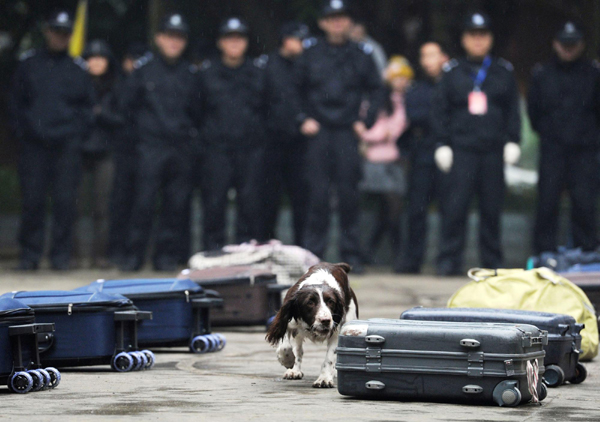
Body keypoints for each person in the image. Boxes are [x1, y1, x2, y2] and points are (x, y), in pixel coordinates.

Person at [295, 0, 385, 273]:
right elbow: (293, 90)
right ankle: (313, 257)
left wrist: (364, 120)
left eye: (342, 18)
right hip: (319, 133)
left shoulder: (362, 54)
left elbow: (377, 89)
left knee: (349, 196)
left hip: (347, 132)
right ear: (322, 23)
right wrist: (302, 119)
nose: (337, 23)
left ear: (349, 22)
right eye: (331, 18)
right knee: (317, 196)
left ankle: (351, 256)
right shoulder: (310, 54)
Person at [431, 12, 521, 276]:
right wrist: (441, 144)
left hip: (493, 151)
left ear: (490, 39)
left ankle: (492, 263)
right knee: (454, 209)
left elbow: (512, 110)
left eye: (483, 35)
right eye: (473, 35)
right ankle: (448, 261)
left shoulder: (503, 71)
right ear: (464, 39)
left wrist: (513, 140)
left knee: (491, 210)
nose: (478, 41)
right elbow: (440, 110)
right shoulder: (452, 72)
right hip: (461, 151)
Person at [9, 10, 95, 271]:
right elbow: (15, 103)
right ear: (47, 32)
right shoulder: (29, 63)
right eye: (56, 31)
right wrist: (25, 132)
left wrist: (74, 134)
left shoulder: (78, 69)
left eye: (65, 32)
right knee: (32, 201)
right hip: (35, 146)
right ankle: (30, 256)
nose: (60, 37)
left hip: (66, 147)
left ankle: (60, 257)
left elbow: (87, 108)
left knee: (65, 204)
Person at [120, 13, 199, 271]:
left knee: (175, 206)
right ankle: (133, 256)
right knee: (142, 202)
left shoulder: (191, 73)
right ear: (159, 38)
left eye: (179, 37)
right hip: (149, 148)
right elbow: (127, 108)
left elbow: (199, 112)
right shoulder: (143, 70)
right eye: (169, 36)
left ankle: (165, 257)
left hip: (180, 149)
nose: (174, 42)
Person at [529, 21, 600, 254]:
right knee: (547, 204)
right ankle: (544, 254)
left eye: (573, 44)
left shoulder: (594, 73)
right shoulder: (542, 74)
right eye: (564, 44)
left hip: (584, 152)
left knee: (584, 204)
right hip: (553, 150)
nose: (568, 49)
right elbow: (534, 113)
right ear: (555, 44)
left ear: (582, 45)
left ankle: (587, 254)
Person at [197, 17, 267, 250]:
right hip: (216, 149)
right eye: (229, 39)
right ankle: (212, 252)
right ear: (220, 43)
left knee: (250, 204)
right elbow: (197, 110)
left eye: (239, 39)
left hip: (250, 149)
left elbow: (268, 109)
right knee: (214, 202)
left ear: (246, 43)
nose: (235, 44)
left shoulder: (258, 73)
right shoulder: (206, 73)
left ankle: (245, 253)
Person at [398, 41, 450, 274]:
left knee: (450, 209)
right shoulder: (417, 89)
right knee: (416, 210)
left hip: (449, 151)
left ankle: (447, 261)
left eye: (432, 55)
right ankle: (412, 260)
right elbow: (415, 115)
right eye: (424, 55)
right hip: (422, 151)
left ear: (444, 57)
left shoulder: (453, 85)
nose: (427, 61)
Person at [358, 56, 413, 270]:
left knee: (390, 211)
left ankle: (372, 252)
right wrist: (376, 135)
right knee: (388, 209)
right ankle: (389, 253)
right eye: (397, 78)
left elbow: (396, 127)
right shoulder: (378, 99)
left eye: (404, 78)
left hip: (393, 161)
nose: (401, 82)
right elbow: (369, 128)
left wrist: (376, 134)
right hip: (375, 161)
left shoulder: (403, 100)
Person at [260, 22, 310, 246]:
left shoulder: (306, 65)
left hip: (300, 143)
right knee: (268, 199)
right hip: (272, 142)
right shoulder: (268, 65)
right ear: (285, 39)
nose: (301, 44)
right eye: (297, 39)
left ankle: (302, 247)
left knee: (302, 198)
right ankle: (266, 246)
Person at [75, 39, 123, 269]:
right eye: (91, 58)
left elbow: (122, 119)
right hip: (78, 150)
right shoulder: (75, 83)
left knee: (103, 207)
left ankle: (100, 255)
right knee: (74, 205)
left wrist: (100, 113)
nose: (95, 62)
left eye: (100, 58)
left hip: (106, 151)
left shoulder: (117, 85)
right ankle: (74, 255)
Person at [107, 42, 148, 267]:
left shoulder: (149, 81)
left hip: (144, 150)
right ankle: (116, 250)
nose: (134, 65)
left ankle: (133, 250)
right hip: (122, 152)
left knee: (140, 203)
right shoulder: (119, 84)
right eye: (131, 60)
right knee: (120, 203)